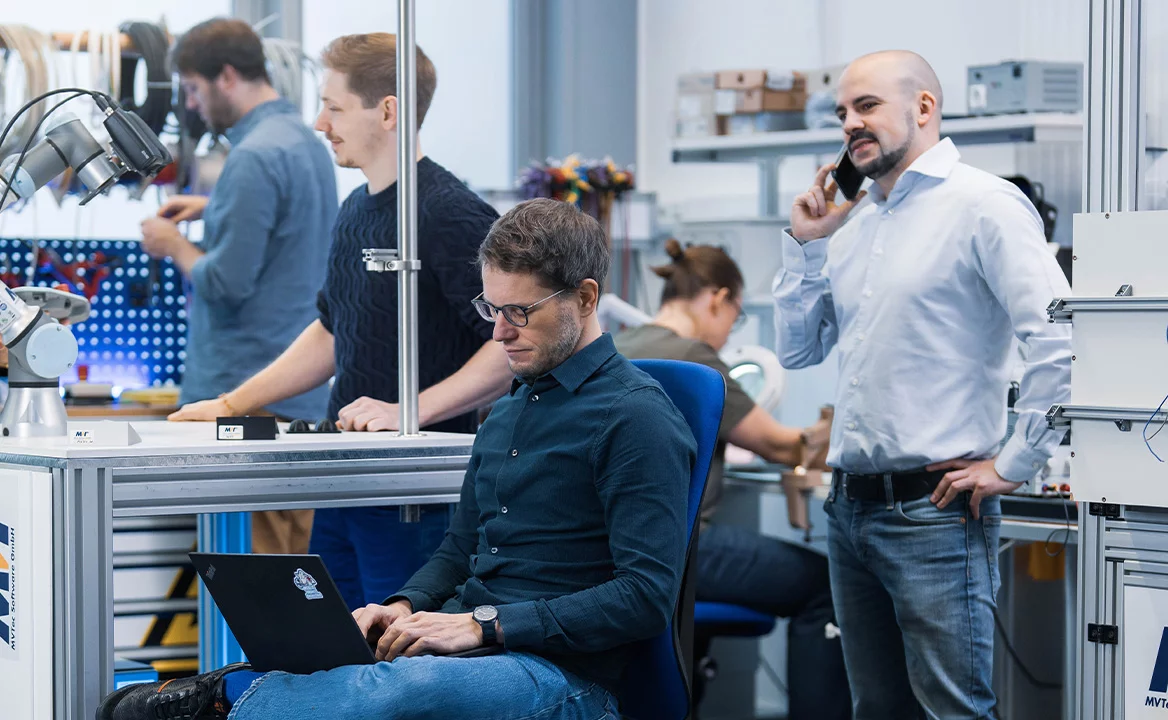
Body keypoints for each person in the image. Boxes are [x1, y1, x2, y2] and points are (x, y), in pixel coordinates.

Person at [97, 198, 696, 720]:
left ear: (585, 299)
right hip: (477, 647)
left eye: (521, 312)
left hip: (565, 677)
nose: (499, 334)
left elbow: (643, 596)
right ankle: (238, 691)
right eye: (492, 309)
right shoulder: (510, 411)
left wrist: (483, 626)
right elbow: (458, 552)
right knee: (335, 658)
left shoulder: (637, 418)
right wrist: (403, 605)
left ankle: (223, 701)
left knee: (397, 692)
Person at [773, 50, 1071, 718]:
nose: (851, 124)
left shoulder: (984, 205)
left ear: (924, 109)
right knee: (877, 709)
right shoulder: (853, 227)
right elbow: (797, 350)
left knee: (953, 711)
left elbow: (1059, 337)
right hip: (849, 510)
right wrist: (806, 246)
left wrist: (1017, 463)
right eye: (844, 113)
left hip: (933, 514)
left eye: (867, 106)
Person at [169, 33, 514, 610]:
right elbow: (332, 330)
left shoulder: (449, 213)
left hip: (415, 495)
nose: (319, 123)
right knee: (333, 653)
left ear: (387, 110)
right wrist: (233, 404)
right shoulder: (356, 209)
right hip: (344, 479)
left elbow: (508, 343)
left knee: (399, 664)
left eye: (333, 107)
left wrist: (410, 412)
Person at [613, 239, 850, 720]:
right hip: (679, 549)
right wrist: (840, 424)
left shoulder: (618, 346)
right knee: (828, 585)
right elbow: (785, 446)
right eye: (734, 318)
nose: (728, 335)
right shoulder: (695, 357)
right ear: (718, 299)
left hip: (618, 547)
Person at [141, 18, 338, 555]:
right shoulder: (302, 141)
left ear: (226, 76)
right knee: (282, 571)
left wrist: (171, 243)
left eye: (193, 88)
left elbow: (226, 283)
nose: (193, 104)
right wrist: (216, 207)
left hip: (247, 401)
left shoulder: (252, 157)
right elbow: (289, 228)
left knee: (253, 584)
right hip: (291, 397)